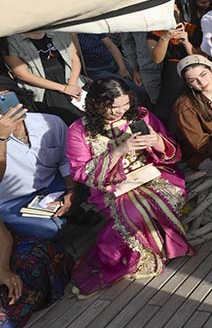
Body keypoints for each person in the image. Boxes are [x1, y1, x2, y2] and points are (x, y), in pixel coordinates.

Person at [66, 78, 194, 298]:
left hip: (154, 174)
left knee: (165, 198)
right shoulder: (79, 130)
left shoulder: (140, 115)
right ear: (96, 104)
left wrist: (156, 141)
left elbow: (172, 151)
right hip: (110, 186)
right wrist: (118, 151)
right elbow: (80, 172)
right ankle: (133, 257)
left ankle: (158, 244)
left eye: (125, 104)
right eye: (113, 107)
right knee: (133, 213)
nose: (121, 111)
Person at [0, 78, 75, 239]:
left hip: (53, 186)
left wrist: (72, 190)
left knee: (92, 187)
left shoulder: (49, 122)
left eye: (5, 98)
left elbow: (65, 159)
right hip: (12, 201)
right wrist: (1, 138)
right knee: (48, 229)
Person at [2, 32, 85, 124]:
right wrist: (64, 88)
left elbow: (75, 59)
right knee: (65, 121)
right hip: (44, 90)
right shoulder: (11, 42)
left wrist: (72, 83)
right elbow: (22, 74)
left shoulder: (60, 33)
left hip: (73, 82)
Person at [147, 0, 201, 126]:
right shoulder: (156, 33)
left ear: (179, 10)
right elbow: (157, 58)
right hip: (172, 71)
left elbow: (201, 58)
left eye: (173, 11)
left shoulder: (192, 28)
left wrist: (186, 42)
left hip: (193, 65)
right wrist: (165, 37)